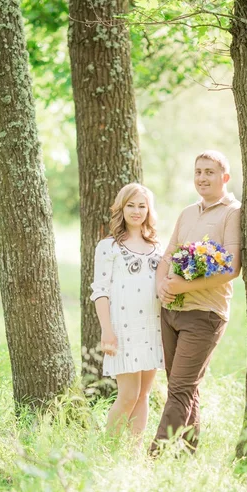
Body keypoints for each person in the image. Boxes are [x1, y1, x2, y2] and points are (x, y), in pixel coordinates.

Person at [150, 150, 241, 455]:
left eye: (210, 172)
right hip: (171, 310)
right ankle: (188, 454)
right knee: (186, 388)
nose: (202, 178)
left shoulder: (233, 212)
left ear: (224, 178)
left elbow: (231, 268)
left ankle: (154, 458)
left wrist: (185, 285)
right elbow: (167, 254)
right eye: (198, 171)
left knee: (178, 389)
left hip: (205, 314)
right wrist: (163, 286)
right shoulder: (188, 212)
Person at [91, 183, 163, 445]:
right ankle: (108, 449)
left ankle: (133, 452)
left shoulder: (157, 246)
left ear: (148, 210)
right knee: (128, 395)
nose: (136, 211)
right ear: (121, 208)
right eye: (131, 205)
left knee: (143, 395)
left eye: (142, 206)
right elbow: (100, 291)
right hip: (124, 328)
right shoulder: (108, 247)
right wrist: (107, 330)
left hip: (152, 326)